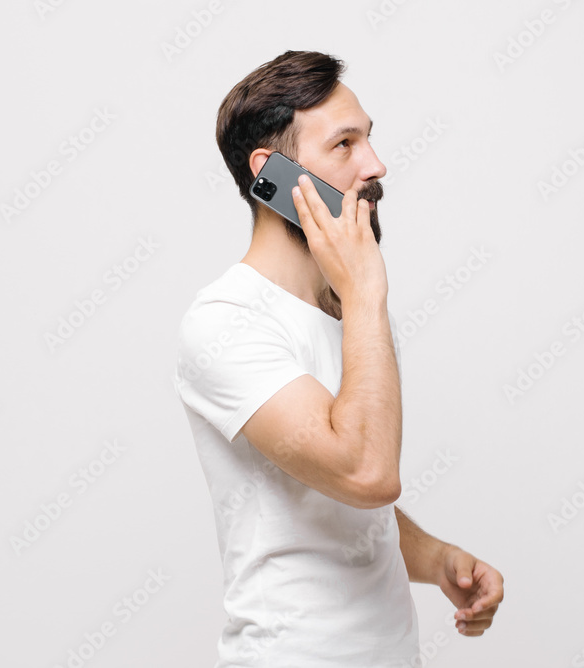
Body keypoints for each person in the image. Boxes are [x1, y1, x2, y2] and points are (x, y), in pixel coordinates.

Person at [173, 50, 503, 667]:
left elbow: (338, 499)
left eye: (368, 139)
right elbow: (365, 473)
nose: (375, 167)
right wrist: (366, 292)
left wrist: (437, 559)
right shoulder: (226, 321)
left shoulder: (350, 309)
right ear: (271, 175)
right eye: (344, 145)